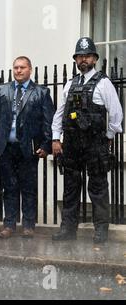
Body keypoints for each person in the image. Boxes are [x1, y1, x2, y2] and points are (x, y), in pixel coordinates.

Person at [51, 37, 123, 244]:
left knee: (98, 189)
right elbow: (60, 114)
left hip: (94, 145)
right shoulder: (69, 84)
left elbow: (116, 115)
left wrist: (108, 137)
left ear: (94, 59)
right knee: (71, 188)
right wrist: (56, 138)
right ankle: (68, 230)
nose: (83, 60)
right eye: (80, 56)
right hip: (72, 145)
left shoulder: (104, 83)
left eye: (87, 56)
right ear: (76, 59)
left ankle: (101, 231)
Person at [0, 56, 54, 239]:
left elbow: (48, 121)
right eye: (15, 68)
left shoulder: (41, 92)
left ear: (30, 69)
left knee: (29, 187)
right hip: (7, 147)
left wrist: (46, 145)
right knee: (9, 187)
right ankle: (9, 225)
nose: (18, 71)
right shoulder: (2, 90)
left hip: (28, 148)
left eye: (22, 67)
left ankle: (28, 225)